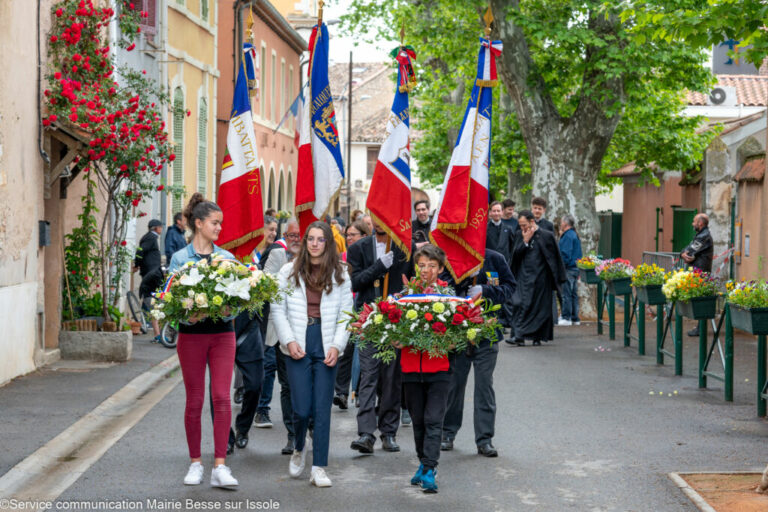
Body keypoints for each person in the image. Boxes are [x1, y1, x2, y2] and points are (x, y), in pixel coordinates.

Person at [270, 221, 353, 487]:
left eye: (320, 240)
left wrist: (337, 345)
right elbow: (277, 308)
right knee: (301, 408)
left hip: (326, 342)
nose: (315, 244)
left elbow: (346, 315)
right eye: (311, 239)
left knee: (321, 409)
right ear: (305, 242)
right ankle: (298, 446)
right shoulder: (287, 271)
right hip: (297, 342)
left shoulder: (340, 273)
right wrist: (288, 339)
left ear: (328, 244)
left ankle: (319, 466)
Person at [168, 193, 239, 488]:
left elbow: (240, 300)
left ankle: (220, 466)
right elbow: (171, 302)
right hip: (192, 337)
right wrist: (188, 316)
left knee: (222, 398)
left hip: (223, 335)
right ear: (198, 224)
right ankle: (196, 463)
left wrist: (230, 307)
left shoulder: (228, 258)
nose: (219, 228)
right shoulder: (179, 259)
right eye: (214, 223)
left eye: (220, 224)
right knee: (195, 400)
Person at [347, 220, 415, 454]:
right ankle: (366, 433)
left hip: (396, 322)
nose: (379, 222)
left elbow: (412, 284)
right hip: (368, 321)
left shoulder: (405, 248)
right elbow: (355, 282)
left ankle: (388, 431)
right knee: (368, 376)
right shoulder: (358, 248)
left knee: (391, 379)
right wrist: (378, 267)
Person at [441, 248, 516, 458]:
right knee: (455, 384)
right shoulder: (454, 257)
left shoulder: (495, 258)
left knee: (484, 386)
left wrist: (485, 289)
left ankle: (485, 439)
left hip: (487, 330)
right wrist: (463, 287)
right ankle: (448, 432)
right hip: (460, 331)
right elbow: (443, 288)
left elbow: (510, 287)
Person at [401, 245, 454, 493]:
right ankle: (423, 464)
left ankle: (430, 468)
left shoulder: (449, 298)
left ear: (441, 268)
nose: (426, 270)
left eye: (432, 266)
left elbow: (457, 334)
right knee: (419, 421)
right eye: (422, 265)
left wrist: (453, 340)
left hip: (439, 368)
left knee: (434, 420)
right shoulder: (405, 295)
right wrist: (395, 338)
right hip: (411, 368)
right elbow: (394, 329)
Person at [258, 219, 301, 455]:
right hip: (280, 332)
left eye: (299, 235)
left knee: (304, 384)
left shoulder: (316, 258)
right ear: (286, 236)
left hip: (307, 331)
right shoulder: (277, 255)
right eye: (291, 235)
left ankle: (310, 426)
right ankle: (292, 435)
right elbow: (266, 285)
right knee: (286, 385)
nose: (295, 239)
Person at [509, 210, 566, 346]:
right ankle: (519, 336)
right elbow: (515, 256)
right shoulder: (519, 235)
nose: (522, 228)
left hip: (541, 279)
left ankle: (536, 337)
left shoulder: (546, 236)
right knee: (520, 304)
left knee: (540, 308)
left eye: (524, 225)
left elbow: (554, 257)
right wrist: (525, 241)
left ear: (532, 222)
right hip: (524, 277)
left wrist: (558, 278)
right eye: (520, 225)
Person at [333, 220, 371, 410]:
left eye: (353, 235)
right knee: (346, 350)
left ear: (364, 236)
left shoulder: (368, 255)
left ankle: (359, 390)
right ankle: (341, 392)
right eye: (347, 235)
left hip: (363, 306)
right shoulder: (342, 257)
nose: (348, 238)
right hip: (345, 307)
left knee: (362, 351)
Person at [226, 309, 265, 454]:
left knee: (255, 384)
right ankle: (225, 436)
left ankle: (243, 427)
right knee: (217, 391)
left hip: (247, 328)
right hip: (218, 328)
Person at [682, 213, 714, 337]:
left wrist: (685, 254)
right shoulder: (701, 235)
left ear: (700, 223)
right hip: (699, 270)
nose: (692, 223)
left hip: (701, 271)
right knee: (700, 298)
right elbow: (689, 247)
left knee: (701, 299)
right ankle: (700, 328)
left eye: (694, 221)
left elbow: (691, 250)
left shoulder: (704, 236)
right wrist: (682, 254)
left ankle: (700, 329)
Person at [134, 219, 164, 341]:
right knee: (152, 299)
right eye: (161, 227)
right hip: (151, 274)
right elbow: (140, 251)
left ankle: (152, 327)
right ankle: (147, 324)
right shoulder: (151, 237)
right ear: (156, 228)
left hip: (151, 273)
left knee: (152, 300)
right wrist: (137, 264)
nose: (162, 229)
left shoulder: (150, 237)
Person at [558, 215, 583, 326]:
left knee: (566, 293)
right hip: (575, 267)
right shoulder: (574, 235)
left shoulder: (567, 236)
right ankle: (574, 317)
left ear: (565, 224)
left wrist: (561, 267)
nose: (560, 223)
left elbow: (565, 254)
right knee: (573, 293)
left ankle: (566, 317)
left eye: (561, 222)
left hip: (568, 268)